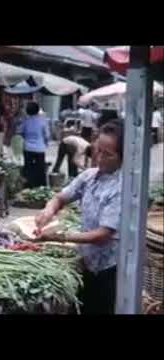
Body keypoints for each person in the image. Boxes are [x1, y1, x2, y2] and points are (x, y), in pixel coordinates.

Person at [34, 120, 124, 314]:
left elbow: (102, 234)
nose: (99, 157)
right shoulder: (89, 176)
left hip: (108, 267)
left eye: (107, 154)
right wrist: (49, 210)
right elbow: (60, 197)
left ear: (122, 157)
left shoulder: (121, 187)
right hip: (85, 261)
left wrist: (61, 236)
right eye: (97, 150)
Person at [17, 101, 51, 188]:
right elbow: (47, 135)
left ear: (27, 111)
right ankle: (41, 187)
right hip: (40, 148)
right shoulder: (43, 121)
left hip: (27, 148)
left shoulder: (25, 121)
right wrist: (46, 143)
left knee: (28, 168)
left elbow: (19, 132)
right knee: (40, 169)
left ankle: (28, 187)